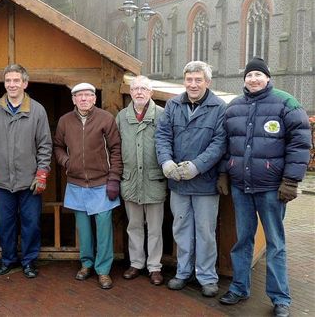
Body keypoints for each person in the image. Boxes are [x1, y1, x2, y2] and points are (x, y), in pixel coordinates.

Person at [217, 58, 311, 317]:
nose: (254, 79)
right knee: (242, 240)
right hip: (241, 187)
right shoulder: (234, 107)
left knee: (275, 243)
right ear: (244, 79)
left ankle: (280, 298)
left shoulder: (286, 103)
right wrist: (224, 173)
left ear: (268, 78)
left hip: (272, 188)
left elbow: (300, 144)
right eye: (250, 75)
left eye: (259, 74)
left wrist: (291, 181)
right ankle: (239, 288)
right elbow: (226, 145)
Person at [155, 61, 227, 297]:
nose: (193, 84)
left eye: (198, 80)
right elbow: (163, 135)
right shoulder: (173, 105)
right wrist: (166, 161)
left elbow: (219, 144)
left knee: (205, 231)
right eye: (189, 80)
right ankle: (183, 272)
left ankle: (206, 276)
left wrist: (197, 166)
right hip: (178, 183)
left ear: (208, 82)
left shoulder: (219, 108)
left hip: (205, 183)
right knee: (182, 228)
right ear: (184, 81)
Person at [0, 64, 52, 279]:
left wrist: (42, 174)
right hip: (3, 180)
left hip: (29, 181)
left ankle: (29, 261)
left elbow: (45, 145)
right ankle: (8, 260)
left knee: (31, 223)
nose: (12, 84)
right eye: (8, 81)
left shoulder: (37, 110)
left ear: (25, 83)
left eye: (16, 81)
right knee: (5, 224)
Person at [53, 82, 122, 289]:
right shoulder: (65, 121)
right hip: (76, 183)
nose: (83, 99)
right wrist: (67, 162)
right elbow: (57, 146)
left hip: (102, 182)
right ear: (73, 99)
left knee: (103, 229)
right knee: (83, 229)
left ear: (94, 98)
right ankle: (86, 264)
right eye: (79, 96)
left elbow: (116, 149)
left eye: (88, 95)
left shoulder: (106, 119)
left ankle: (103, 270)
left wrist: (114, 179)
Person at [116, 76, 167, 286]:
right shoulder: (121, 117)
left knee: (155, 228)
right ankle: (136, 263)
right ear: (130, 91)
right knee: (134, 226)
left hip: (154, 180)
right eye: (135, 88)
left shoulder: (162, 116)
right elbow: (115, 149)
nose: (139, 92)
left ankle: (154, 266)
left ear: (151, 93)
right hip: (130, 180)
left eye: (144, 89)